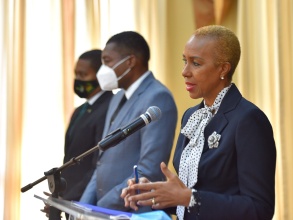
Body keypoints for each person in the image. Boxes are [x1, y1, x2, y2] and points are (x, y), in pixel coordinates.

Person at [121, 25, 277, 220]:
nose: (185, 72)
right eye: (185, 61)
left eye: (196, 63)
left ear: (223, 68)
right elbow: (188, 200)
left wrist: (188, 198)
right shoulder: (191, 116)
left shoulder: (248, 120)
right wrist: (151, 194)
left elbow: (259, 209)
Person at [80, 31, 178, 213]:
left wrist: (99, 209)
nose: (103, 69)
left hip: (132, 211)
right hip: (104, 212)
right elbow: (103, 159)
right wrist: (83, 207)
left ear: (130, 61)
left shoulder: (158, 97)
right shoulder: (117, 98)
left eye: (107, 61)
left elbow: (148, 170)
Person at [41, 49, 114, 219]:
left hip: (88, 202)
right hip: (69, 201)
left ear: (100, 76)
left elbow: (98, 162)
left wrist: (67, 197)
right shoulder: (80, 110)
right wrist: (59, 196)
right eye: (76, 74)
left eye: (83, 74)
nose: (78, 80)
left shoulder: (109, 107)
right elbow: (71, 157)